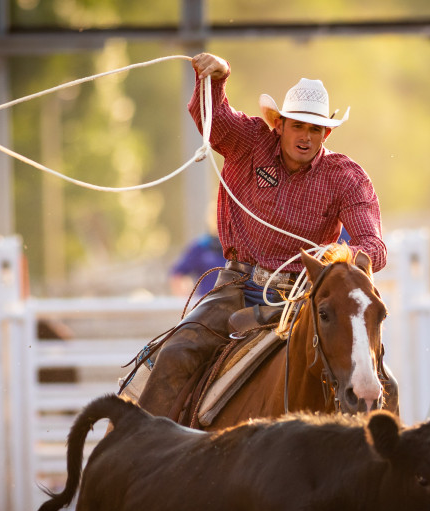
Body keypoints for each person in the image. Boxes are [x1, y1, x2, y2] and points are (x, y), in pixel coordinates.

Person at [133, 52, 392, 419]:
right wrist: (218, 78)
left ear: (326, 133)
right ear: (280, 124)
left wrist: (342, 258)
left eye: (314, 129)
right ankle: (141, 450)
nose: (305, 137)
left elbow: (374, 247)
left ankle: (387, 464)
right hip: (237, 287)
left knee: (382, 383)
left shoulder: (346, 177)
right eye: (298, 126)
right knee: (178, 352)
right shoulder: (251, 141)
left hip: (303, 298)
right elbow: (214, 121)